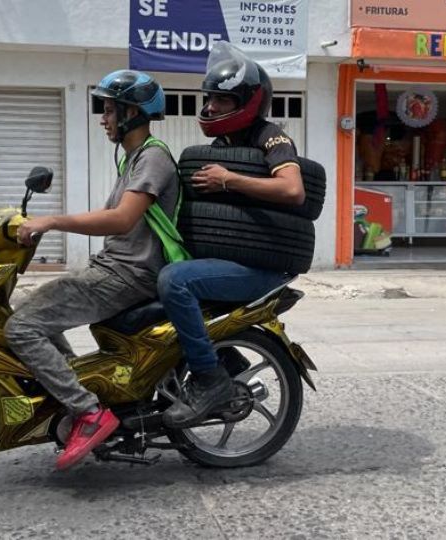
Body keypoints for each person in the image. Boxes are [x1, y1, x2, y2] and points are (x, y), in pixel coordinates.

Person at [5, 70, 179, 470]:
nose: (104, 118)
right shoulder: (134, 158)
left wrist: (52, 222)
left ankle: (88, 413)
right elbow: (113, 216)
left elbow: (120, 220)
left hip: (128, 274)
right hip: (115, 267)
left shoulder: (153, 157)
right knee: (37, 317)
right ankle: (75, 394)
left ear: (132, 112)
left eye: (109, 109)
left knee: (22, 328)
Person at [159, 42, 305, 429]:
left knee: (175, 282)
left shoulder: (271, 138)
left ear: (248, 101)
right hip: (232, 259)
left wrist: (229, 180)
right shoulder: (220, 146)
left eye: (221, 101)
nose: (210, 107)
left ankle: (209, 382)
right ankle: (227, 360)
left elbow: (293, 190)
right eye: (209, 99)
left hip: (261, 266)